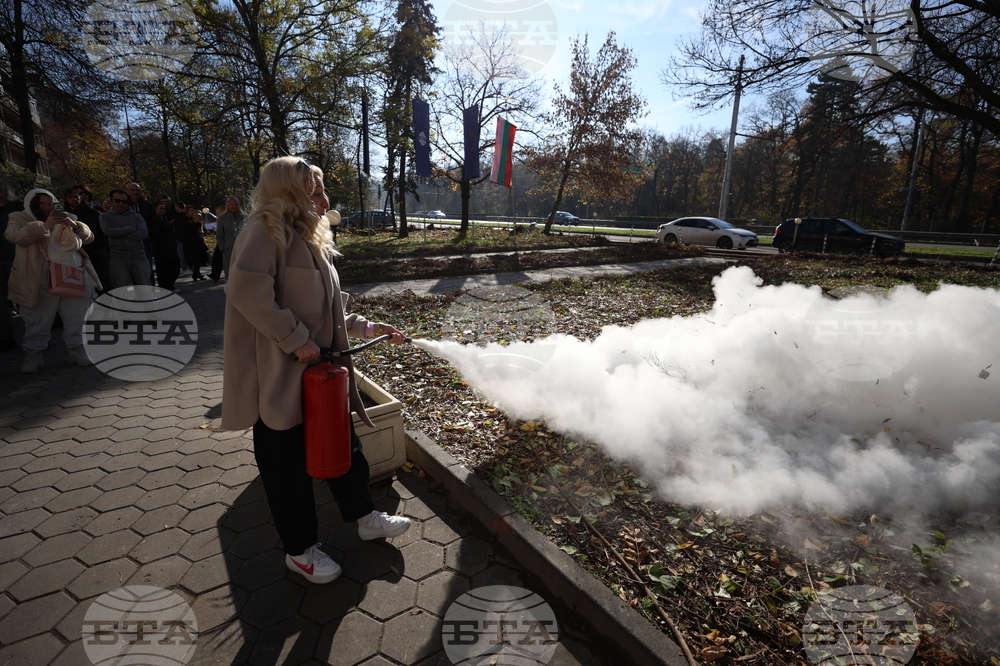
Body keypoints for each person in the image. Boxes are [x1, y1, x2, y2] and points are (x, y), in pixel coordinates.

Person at [221, 156, 410, 584]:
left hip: (322, 376)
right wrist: (294, 339)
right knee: (286, 467)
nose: (325, 198)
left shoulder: (311, 239)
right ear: (289, 192)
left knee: (345, 448)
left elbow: (329, 310)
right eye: (315, 189)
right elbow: (248, 292)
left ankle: (364, 516)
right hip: (281, 380)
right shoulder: (261, 233)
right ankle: (300, 550)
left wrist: (368, 326)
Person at [5, 188, 95, 373]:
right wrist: (44, 226)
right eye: (41, 204)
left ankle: (76, 350)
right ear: (32, 204)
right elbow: (14, 236)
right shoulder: (19, 218)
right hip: (39, 280)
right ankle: (33, 356)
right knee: (37, 320)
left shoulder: (68, 216)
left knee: (76, 316)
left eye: (49, 203)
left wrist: (75, 225)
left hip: (72, 274)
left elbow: (89, 238)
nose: (46, 207)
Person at [100, 189, 151, 289]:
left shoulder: (137, 216)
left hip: (138, 255)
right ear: (111, 201)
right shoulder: (104, 216)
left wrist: (118, 232)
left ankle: (148, 305)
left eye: (124, 201)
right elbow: (108, 232)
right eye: (117, 201)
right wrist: (131, 228)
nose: (121, 204)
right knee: (120, 289)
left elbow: (143, 233)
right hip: (118, 256)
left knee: (146, 287)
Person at [65, 187, 109, 292]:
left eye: (76, 196)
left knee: (104, 285)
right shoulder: (64, 216)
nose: (74, 199)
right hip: (76, 255)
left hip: (97, 254)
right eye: (70, 197)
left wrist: (98, 245)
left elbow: (104, 234)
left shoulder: (94, 213)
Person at [0, 176, 24, 352]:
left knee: (27, 301)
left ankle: (36, 340)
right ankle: (7, 339)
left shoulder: (18, 207)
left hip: (19, 259)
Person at [214, 195, 245, 281]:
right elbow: (219, 235)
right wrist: (222, 247)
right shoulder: (222, 218)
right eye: (232, 204)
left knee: (243, 273)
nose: (234, 206)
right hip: (228, 250)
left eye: (236, 204)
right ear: (227, 205)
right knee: (230, 274)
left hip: (242, 249)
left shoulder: (243, 217)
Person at [152, 202, 181, 291]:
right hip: (161, 250)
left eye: (164, 208)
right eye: (161, 208)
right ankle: (165, 287)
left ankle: (169, 285)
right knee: (163, 270)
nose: (163, 210)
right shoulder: (154, 221)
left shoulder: (165, 219)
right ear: (155, 209)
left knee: (175, 267)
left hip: (170, 247)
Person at [177, 205, 210, 281]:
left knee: (198, 259)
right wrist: (198, 224)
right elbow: (189, 230)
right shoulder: (185, 219)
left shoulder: (190, 219)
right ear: (187, 211)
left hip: (195, 241)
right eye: (191, 210)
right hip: (191, 243)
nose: (193, 212)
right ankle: (196, 273)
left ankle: (197, 273)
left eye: (193, 211)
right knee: (195, 258)